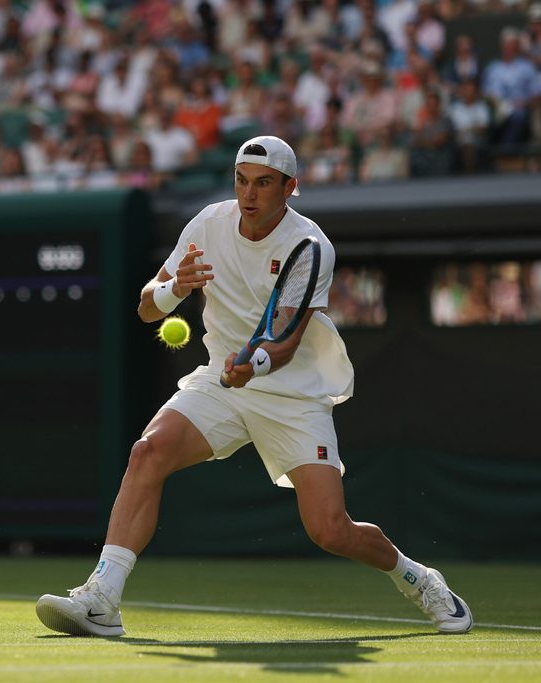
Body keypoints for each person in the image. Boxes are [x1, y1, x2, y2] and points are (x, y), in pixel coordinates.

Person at [36, 135, 473, 637]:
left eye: (264, 184)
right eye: (242, 181)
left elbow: (285, 337)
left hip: (292, 394)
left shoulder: (309, 246)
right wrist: (175, 287)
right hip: (221, 380)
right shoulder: (207, 223)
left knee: (330, 530)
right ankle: (102, 599)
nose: (250, 194)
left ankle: (417, 578)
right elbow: (146, 307)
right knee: (147, 452)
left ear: (290, 188)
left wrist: (255, 363)